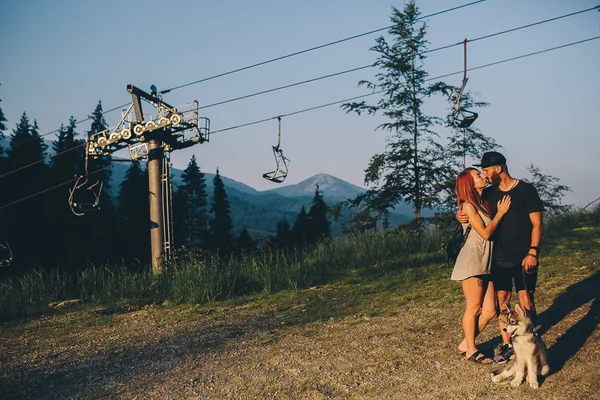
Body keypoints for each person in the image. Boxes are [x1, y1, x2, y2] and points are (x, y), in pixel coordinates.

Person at [459, 151, 544, 364]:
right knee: (502, 301)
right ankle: (508, 345)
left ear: (498, 168)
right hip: (498, 258)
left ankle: (529, 340)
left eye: (486, 170)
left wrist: (533, 251)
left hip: (525, 256)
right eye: (482, 173)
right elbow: (469, 207)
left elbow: (537, 223)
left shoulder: (526, 190)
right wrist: (458, 214)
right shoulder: (487, 194)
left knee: (527, 300)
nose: (485, 175)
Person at [452, 167, 511, 364]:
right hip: (472, 261)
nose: (483, 176)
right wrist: (500, 213)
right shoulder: (468, 206)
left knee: (490, 311)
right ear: (470, 183)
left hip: (485, 262)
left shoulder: (482, 202)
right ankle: (471, 350)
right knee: (473, 307)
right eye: (478, 175)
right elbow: (485, 233)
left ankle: (465, 344)